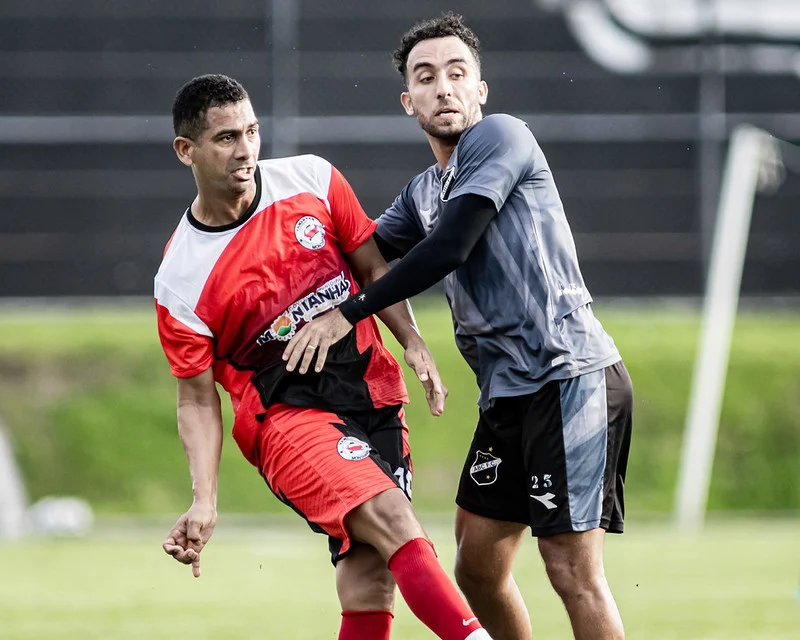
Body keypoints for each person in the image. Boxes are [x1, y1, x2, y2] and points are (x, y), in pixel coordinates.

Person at [283, 13, 633, 640]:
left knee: (571, 570)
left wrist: (352, 314)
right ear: (407, 101)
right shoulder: (423, 190)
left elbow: (449, 247)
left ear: (480, 89)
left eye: (456, 73)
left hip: (569, 377)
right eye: (426, 77)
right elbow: (355, 255)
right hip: (508, 397)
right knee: (476, 565)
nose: (443, 87)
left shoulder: (502, 138)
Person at [154, 73, 493, 640]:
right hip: (285, 419)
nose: (246, 151)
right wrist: (204, 499)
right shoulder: (180, 277)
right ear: (186, 151)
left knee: (369, 579)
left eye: (253, 132)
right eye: (226, 139)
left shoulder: (311, 178)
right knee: (395, 521)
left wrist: (412, 341)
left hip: (374, 395)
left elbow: (371, 270)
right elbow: (196, 399)